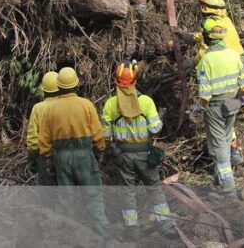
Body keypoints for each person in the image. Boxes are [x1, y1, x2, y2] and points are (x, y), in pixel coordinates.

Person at [101, 60, 177, 238]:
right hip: (145, 154)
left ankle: (131, 229)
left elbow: (105, 133)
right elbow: (156, 129)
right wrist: (161, 117)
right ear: (136, 80)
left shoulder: (111, 104)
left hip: (123, 155)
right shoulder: (146, 102)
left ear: (116, 81)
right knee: (154, 188)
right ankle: (165, 225)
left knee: (127, 192)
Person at [38, 67, 109, 236]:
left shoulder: (51, 109)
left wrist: (48, 158)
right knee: (93, 196)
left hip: (61, 158)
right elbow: (98, 134)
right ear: (76, 85)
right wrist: (100, 150)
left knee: (66, 199)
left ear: (59, 87)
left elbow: (44, 140)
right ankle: (103, 234)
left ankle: (69, 237)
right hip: (84, 155)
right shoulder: (86, 105)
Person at [195, 18, 244, 199]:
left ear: (207, 38)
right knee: (225, 140)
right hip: (232, 105)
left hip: (215, 107)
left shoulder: (206, 60)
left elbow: (204, 93)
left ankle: (229, 190)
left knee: (219, 148)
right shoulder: (234, 55)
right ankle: (220, 182)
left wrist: (200, 109)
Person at [27, 72, 60, 185]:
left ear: (43, 90)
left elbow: (32, 138)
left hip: (44, 156)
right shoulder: (65, 106)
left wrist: (33, 155)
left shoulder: (38, 108)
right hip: (64, 154)